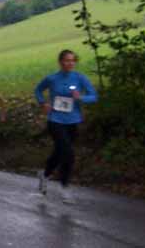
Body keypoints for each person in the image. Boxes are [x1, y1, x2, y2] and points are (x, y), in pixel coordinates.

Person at [35, 49, 98, 203]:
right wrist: (43, 103)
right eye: (66, 60)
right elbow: (38, 90)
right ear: (60, 62)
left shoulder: (79, 78)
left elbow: (94, 96)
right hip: (55, 120)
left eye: (72, 61)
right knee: (68, 153)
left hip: (73, 121)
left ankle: (45, 174)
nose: (70, 63)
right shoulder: (52, 79)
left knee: (59, 152)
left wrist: (81, 98)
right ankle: (64, 187)